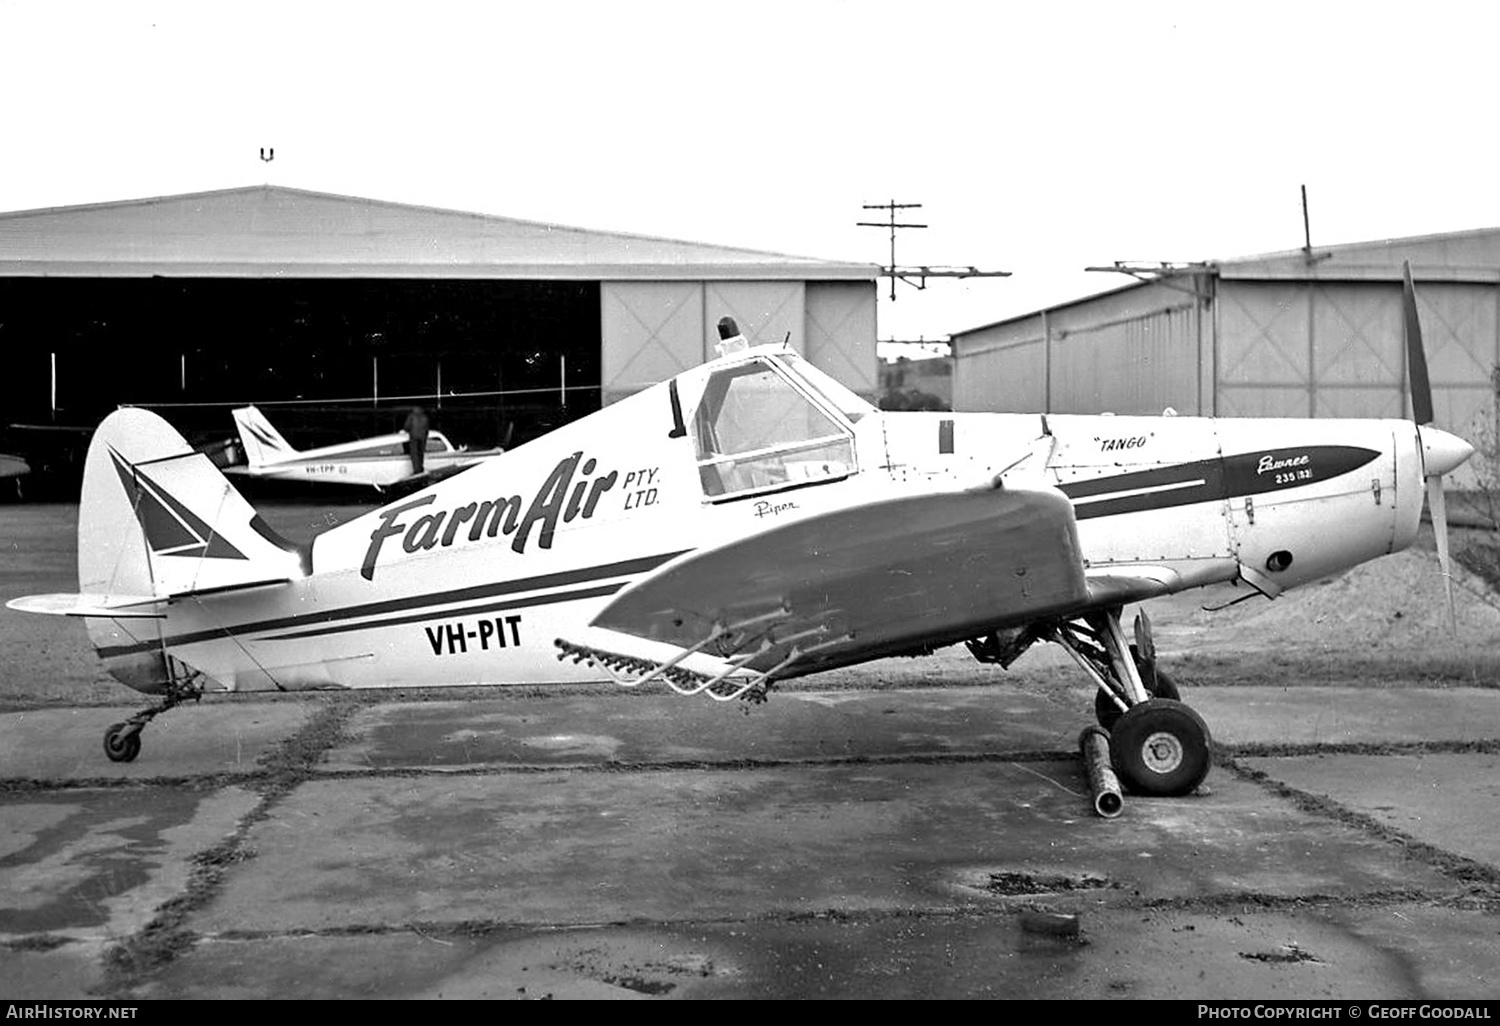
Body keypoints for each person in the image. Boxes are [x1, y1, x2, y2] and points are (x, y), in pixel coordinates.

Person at [403, 406, 430, 475]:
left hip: (414, 437)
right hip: (423, 437)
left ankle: (416, 470)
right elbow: (427, 428)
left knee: (414, 454)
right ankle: (421, 468)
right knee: (421, 453)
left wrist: (407, 430)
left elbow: (407, 426)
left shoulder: (411, 416)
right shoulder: (424, 416)